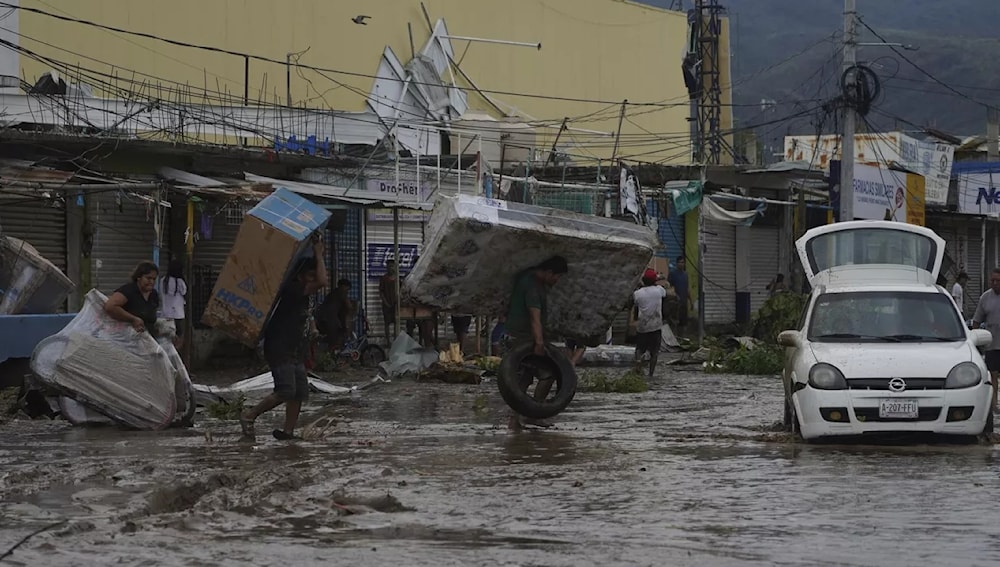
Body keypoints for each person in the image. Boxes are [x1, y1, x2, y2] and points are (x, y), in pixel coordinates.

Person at [241, 236, 328, 441]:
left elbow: (307, 314)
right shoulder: (293, 290)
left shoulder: (303, 294)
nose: (314, 278)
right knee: (286, 390)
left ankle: (288, 432)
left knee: (299, 392)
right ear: (299, 276)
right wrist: (318, 253)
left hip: (295, 350)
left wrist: (313, 330)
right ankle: (249, 415)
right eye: (310, 275)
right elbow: (323, 282)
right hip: (280, 348)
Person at [505, 255, 569, 430]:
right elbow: (535, 318)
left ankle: (514, 420)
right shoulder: (534, 288)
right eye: (557, 276)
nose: (557, 280)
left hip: (513, 333)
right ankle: (534, 413)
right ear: (549, 272)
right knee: (548, 374)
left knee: (522, 379)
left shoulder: (525, 276)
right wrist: (539, 343)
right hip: (525, 338)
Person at [630, 268, 671, 378]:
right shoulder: (659, 290)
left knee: (639, 348)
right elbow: (665, 292)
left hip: (642, 325)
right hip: (655, 325)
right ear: (654, 281)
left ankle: (638, 360)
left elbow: (634, 304)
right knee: (654, 352)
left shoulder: (638, 294)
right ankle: (651, 374)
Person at [104, 261, 161, 337]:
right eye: (148, 278)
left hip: (148, 340)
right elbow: (110, 306)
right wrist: (133, 319)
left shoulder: (153, 294)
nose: (151, 282)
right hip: (126, 339)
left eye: (154, 279)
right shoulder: (129, 291)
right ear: (139, 277)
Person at [973, 268, 1000, 414]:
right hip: (992, 344)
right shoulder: (985, 298)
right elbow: (977, 320)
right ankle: (994, 404)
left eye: (998, 281)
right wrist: (975, 340)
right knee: (993, 375)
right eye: (993, 280)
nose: (995, 283)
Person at [315, 279, 352, 349]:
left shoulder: (333, 293)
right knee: (335, 339)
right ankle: (332, 355)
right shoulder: (342, 293)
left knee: (331, 338)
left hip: (322, 318)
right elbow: (348, 306)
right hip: (330, 319)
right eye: (347, 289)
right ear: (344, 286)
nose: (347, 291)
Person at [159, 258, 188, 348]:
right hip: (178, 314)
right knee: (179, 334)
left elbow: (160, 293)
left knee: (167, 337)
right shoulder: (179, 281)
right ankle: (177, 352)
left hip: (165, 313)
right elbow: (184, 292)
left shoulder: (163, 280)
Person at [667, 255, 692, 334]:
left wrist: (690, 301)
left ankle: (682, 339)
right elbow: (669, 288)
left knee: (684, 322)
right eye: (680, 262)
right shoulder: (672, 274)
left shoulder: (685, 275)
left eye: (683, 262)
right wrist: (675, 296)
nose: (682, 264)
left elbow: (687, 288)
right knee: (674, 322)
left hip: (684, 303)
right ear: (677, 263)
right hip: (675, 304)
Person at [378, 259, 399, 345]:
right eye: (389, 266)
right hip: (386, 304)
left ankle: (395, 340)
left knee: (396, 322)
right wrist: (385, 302)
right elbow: (381, 292)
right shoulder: (384, 278)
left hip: (395, 305)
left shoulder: (397, 279)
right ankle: (388, 341)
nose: (390, 268)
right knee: (387, 323)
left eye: (392, 266)